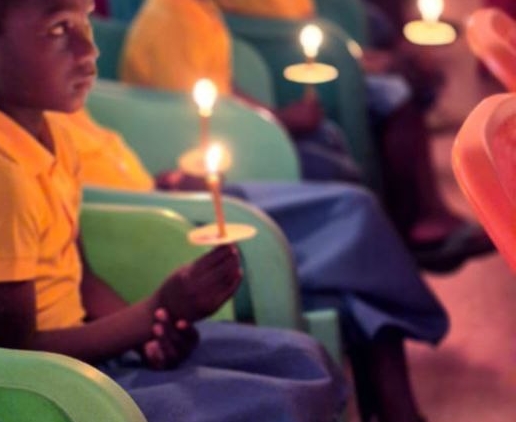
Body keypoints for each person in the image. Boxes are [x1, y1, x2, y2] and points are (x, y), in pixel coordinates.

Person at [0, 0, 416, 422]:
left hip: (83, 359)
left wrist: (149, 329)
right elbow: (15, 350)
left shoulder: (44, 135)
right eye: (59, 30)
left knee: (299, 359)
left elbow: (76, 274)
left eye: (83, 22)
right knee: (269, 408)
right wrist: (154, 308)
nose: (89, 48)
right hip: (38, 403)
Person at [55, 108, 507, 422]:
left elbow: (85, 263)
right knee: (352, 216)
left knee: (341, 273)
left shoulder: (56, 121)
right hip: (165, 231)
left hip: (171, 198)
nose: (85, 47)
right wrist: (144, 318)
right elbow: (21, 325)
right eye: (60, 25)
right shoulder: (17, 154)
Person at [120, 0, 496, 272]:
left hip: (238, 131)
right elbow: (198, 111)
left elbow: (222, 88)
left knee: (331, 140)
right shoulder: (173, 19)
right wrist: (279, 119)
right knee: (343, 183)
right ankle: (389, 244)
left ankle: (405, 229)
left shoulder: (198, 13)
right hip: (216, 152)